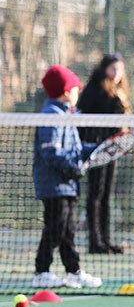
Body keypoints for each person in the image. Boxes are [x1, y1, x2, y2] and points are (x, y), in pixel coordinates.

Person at [32, 65, 103, 289]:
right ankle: (41, 271)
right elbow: (50, 151)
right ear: (65, 91)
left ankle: (73, 271)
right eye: (75, 89)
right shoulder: (51, 116)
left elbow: (75, 148)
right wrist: (73, 167)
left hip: (68, 185)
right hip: (54, 186)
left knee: (68, 230)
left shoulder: (66, 115)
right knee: (55, 228)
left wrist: (97, 148)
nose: (78, 93)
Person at [76, 54, 131, 254]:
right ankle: (95, 241)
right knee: (95, 194)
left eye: (119, 69)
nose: (116, 73)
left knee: (107, 195)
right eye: (112, 69)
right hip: (96, 150)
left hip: (112, 150)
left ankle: (106, 240)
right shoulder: (94, 90)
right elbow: (83, 119)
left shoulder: (119, 92)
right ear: (104, 69)